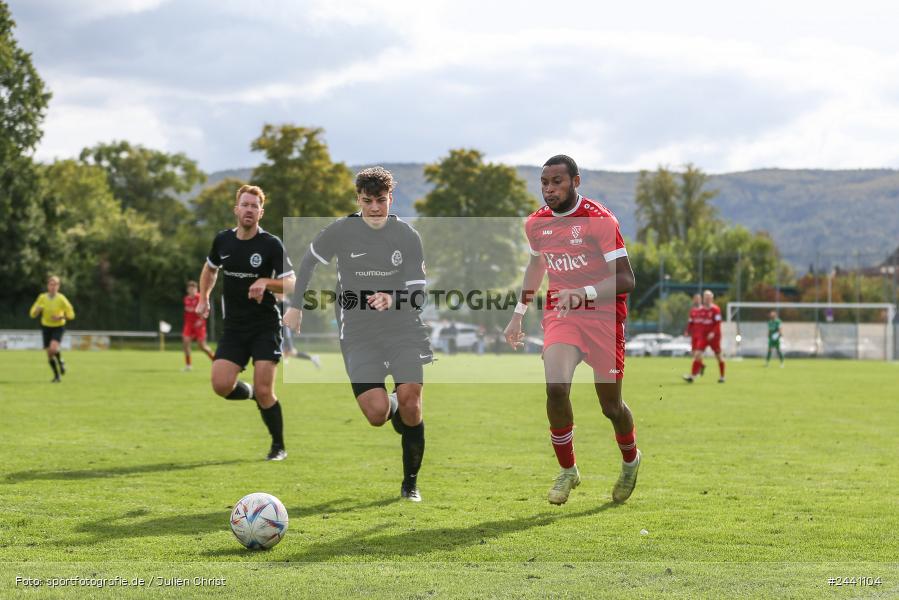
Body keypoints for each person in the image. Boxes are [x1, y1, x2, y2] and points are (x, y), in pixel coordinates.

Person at [284, 167, 431, 502]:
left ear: (390, 199)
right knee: (377, 414)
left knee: (412, 401)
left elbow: (418, 295)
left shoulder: (407, 236)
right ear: (358, 200)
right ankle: (392, 404)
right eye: (368, 201)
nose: (375, 207)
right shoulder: (340, 231)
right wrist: (295, 306)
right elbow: (307, 263)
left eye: (381, 200)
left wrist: (392, 299)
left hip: (402, 328)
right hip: (358, 332)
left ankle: (410, 484)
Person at [503, 155, 640, 506]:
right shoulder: (536, 224)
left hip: (605, 318)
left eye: (557, 182)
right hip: (563, 314)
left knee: (611, 407)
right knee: (556, 387)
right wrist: (519, 312)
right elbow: (536, 265)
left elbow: (627, 279)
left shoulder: (600, 220)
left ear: (575, 182)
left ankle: (630, 460)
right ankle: (568, 470)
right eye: (544, 183)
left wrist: (584, 292)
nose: (549, 190)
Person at [195, 184, 296, 461]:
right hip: (234, 328)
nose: (249, 209)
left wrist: (266, 281)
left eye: (254, 206)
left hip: (265, 326)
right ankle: (251, 394)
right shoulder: (223, 241)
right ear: (236, 209)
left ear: (261, 212)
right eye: (245, 204)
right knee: (221, 385)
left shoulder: (271, 244)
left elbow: (290, 284)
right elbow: (210, 269)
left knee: (266, 390)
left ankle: (278, 446)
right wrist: (204, 298)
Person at [29, 275, 75, 383]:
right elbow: (32, 314)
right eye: (51, 284)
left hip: (58, 326)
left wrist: (61, 317)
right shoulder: (42, 298)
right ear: (48, 286)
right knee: (49, 354)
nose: (53, 287)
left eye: (55, 284)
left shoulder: (61, 299)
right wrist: (37, 310)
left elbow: (71, 314)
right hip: (46, 327)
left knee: (53, 349)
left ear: (58, 286)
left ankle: (60, 362)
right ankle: (57, 375)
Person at [684, 290, 725, 383]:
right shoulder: (700, 310)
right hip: (703, 337)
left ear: (712, 299)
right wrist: (690, 331)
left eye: (708, 297)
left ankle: (722, 376)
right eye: (705, 297)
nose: (706, 299)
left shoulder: (715, 309)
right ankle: (692, 376)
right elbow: (696, 323)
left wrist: (713, 332)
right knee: (697, 354)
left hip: (714, 337)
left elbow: (718, 323)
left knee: (718, 356)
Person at [182, 280, 215, 371]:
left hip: (199, 325)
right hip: (189, 324)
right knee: (185, 342)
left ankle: (215, 360)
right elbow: (189, 310)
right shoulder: (186, 299)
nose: (192, 290)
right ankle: (188, 365)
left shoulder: (200, 297)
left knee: (202, 346)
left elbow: (205, 310)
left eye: (194, 288)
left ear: (196, 289)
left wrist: (201, 320)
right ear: (187, 290)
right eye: (190, 288)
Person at [279, 296, 320, 368]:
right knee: (287, 351)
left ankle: (312, 358)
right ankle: (312, 358)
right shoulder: (284, 301)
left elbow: (287, 317)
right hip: (283, 330)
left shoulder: (285, 302)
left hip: (285, 331)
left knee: (290, 351)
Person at [683, 293, 705, 378]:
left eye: (698, 299)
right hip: (694, 334)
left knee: (697, 354)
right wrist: (687, 331)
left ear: (701, 300)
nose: (697, 300)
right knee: (693, 353)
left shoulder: (704, 309)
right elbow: (690, 322)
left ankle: (694, 374)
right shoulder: (692, 310)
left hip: (701, 335)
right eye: (695, 299)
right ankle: (701, 365)